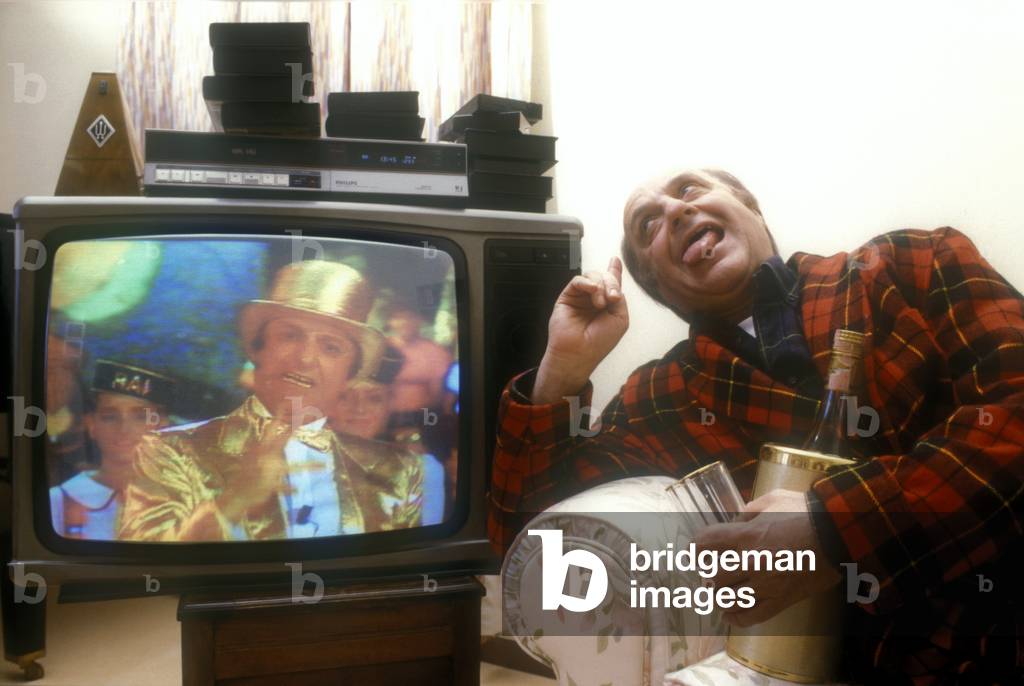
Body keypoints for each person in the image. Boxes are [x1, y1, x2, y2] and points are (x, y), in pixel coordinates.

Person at [489, 168, 1024, 683]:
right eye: (648, 224)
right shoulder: (660, 398)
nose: (675, 210)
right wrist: (562, 370)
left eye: (690, 189)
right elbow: (535, 553)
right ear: (658, 286)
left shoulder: (914, 263)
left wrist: (831, 529)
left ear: (748, 204)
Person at [120, 260, 423, 542]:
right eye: (290, 336)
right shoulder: (169, 451)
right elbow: (146, 573)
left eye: (330, 348)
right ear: (257, 351)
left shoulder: (398, 470)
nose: (304, 358)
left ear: (351, 374)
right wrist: (236, 500)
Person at [49, 360, 173, 539]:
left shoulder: (189, 500)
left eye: (140, 417)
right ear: (91, 425)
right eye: (110, 417)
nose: (124, 429)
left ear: (162, 426)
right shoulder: (59, 500)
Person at [330, 345, 447, 525]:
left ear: (390, 404)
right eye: (345, 397)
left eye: (374, 398)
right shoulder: (298, 461)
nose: (359, 408)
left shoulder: (422, 469)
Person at [386, 305, 453, 422]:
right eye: (397, 318)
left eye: (409, 317)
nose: (404, 323)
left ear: (419, 320)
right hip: (383, 417)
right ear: (390, 322)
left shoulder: (436, 352)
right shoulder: (382, 347)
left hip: (424, 416)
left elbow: (439, 394)